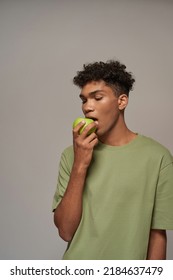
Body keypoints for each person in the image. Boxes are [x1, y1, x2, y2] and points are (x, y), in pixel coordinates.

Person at [52, 60, 173, 260]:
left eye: (97, 98)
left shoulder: (158, 157)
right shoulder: (71, 155)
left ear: (121, 101)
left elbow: (157, 235)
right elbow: (65, 231)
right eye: (84, 100)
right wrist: (80, 164)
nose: (87, 108)